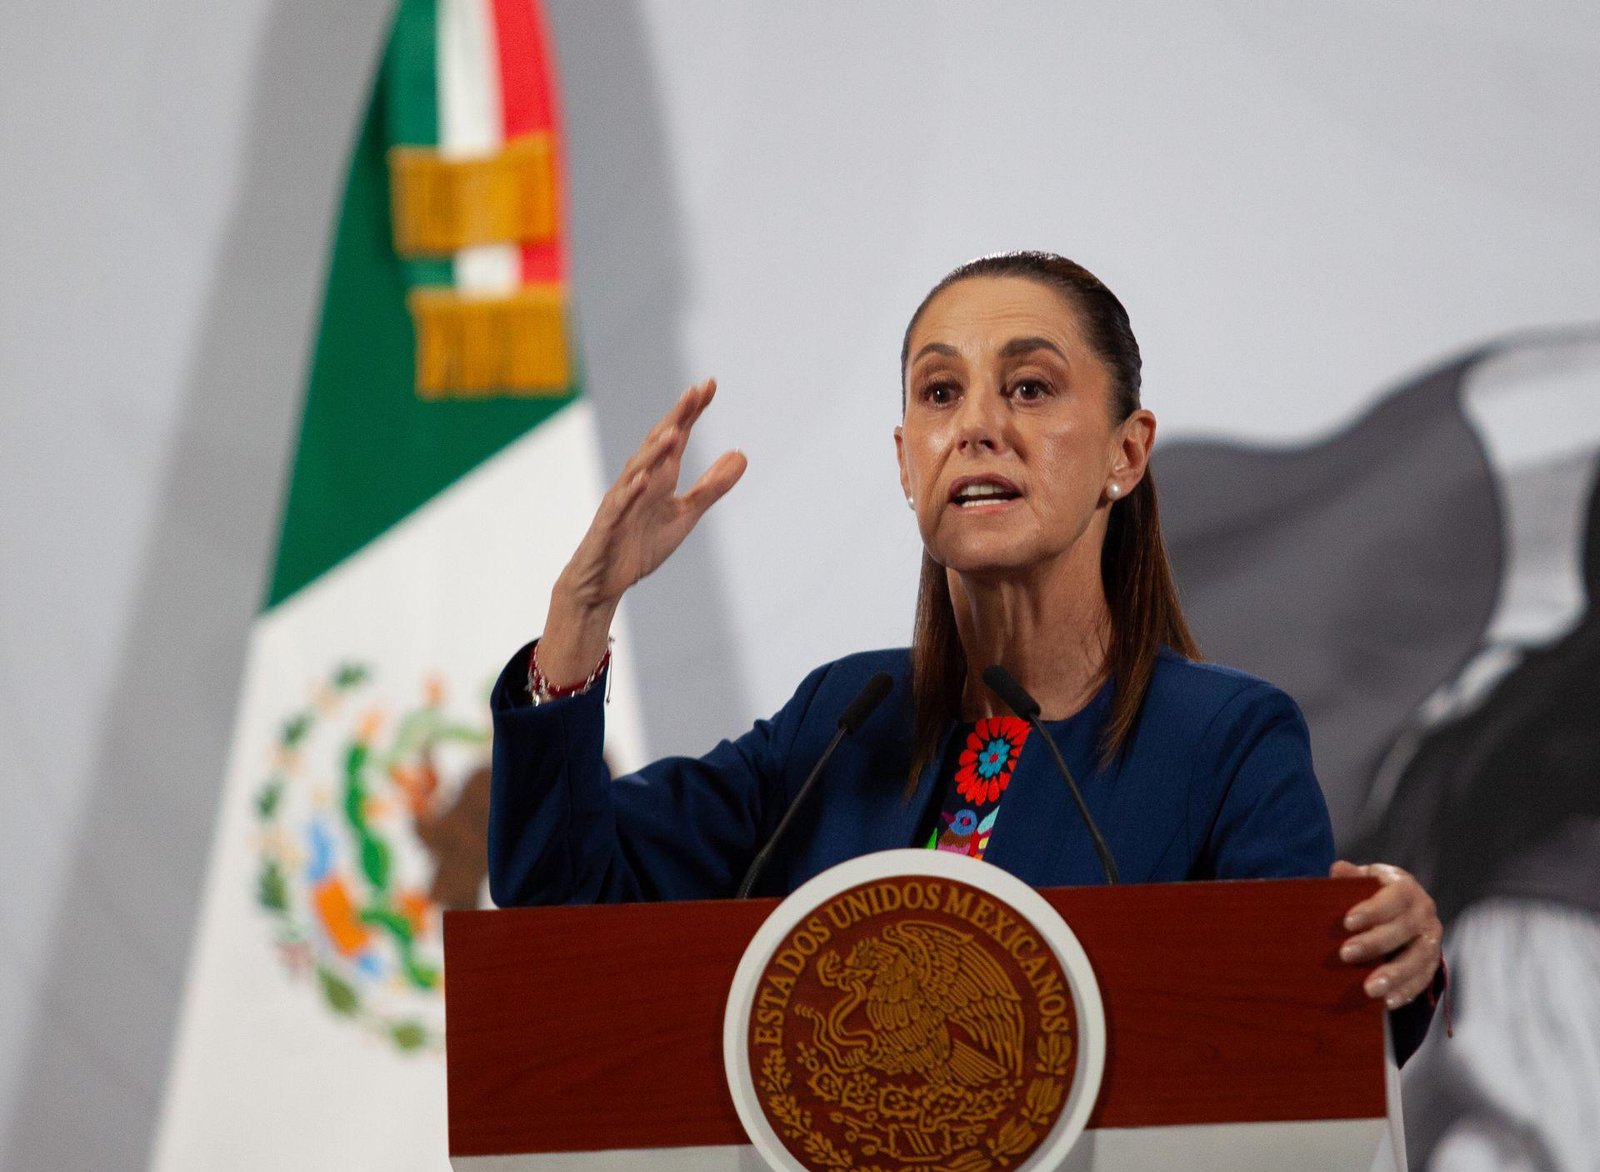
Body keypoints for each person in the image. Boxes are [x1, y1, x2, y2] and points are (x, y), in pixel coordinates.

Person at [487, 252, 1444, 1054]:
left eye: (1030, 388)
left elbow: (1299, 1051)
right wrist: (582, 612)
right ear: (907, 461)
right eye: (941, 394)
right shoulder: (837, 724)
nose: (979, 427)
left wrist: (1389, 956)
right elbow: (559, 908)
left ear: (1126, 453)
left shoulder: (1225, 740)